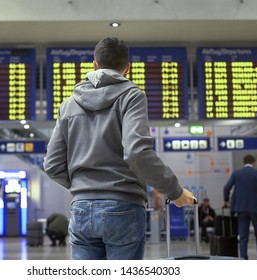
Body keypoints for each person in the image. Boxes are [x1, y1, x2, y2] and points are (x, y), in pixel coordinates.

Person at [44, 37, 195, 260]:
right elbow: (136, 152)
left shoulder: (68, 104)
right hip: (123, 206)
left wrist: (84, 186)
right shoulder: (132, 95)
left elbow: (52, 165)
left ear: (94, 65)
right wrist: (175, 192)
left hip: (82, 209)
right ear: (128, 68)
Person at [223, 154, 257, 260]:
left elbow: (226, 188)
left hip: (241, 208)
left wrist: (226, 200)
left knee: (243, 236)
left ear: (243, 162)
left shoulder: (236, 173)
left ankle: (243, 258)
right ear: (254, 162)